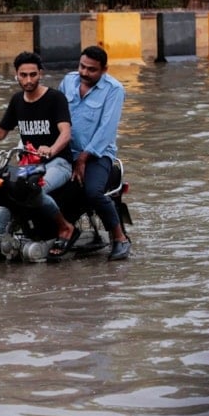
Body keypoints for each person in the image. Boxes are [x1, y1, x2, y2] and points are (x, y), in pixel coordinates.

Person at [0, 51, 78, 252]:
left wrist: (51, 150)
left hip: (58, 162)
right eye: (23, 75)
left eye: (33, 74)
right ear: (16, 75)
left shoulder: (55, 98)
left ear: (40, 73)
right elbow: (1, 132)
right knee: (3, 206)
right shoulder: (17, 100)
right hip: (29, 166)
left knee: (35, 191)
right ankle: (4, 247)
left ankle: (65, 227)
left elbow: (66, 133)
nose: (28, 80)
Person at [59, 45, 131, 260]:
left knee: (93, 193)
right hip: (66, 150)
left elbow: (106, 130)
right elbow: (56, 115)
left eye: (91, 69)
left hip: (98, 154)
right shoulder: (68, 81)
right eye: (82, 66)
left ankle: (120, 238)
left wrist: (83, 157)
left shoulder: (114, 89)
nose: (84, 72)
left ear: (104, 70)